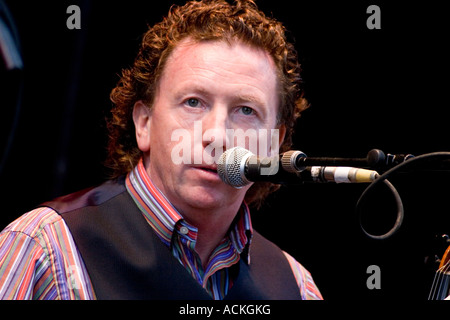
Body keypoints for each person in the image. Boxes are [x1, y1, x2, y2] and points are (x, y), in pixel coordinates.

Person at [0, 0, 322, 300]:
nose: (216, 135)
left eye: (246, 111)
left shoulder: (296, 286)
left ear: (275, 144)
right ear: (144, 123)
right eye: (193, 102)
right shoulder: (45, 248)